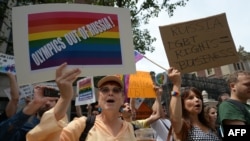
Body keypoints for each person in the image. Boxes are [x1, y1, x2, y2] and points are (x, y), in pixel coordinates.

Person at [26, 62, 137, 141]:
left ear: (122, 98)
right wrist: (65, 98)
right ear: (99, 97)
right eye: (105, 90)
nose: (110, 93)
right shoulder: (82, 124)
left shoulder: (130, 128)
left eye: (116, 90)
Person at [167, 67, 220, 141]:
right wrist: (176, 84)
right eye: (191, 98)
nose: (197, 100)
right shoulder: (182, 126)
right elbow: (174, 118)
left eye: (198, 97)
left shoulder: (207, 124)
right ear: (182, 103)